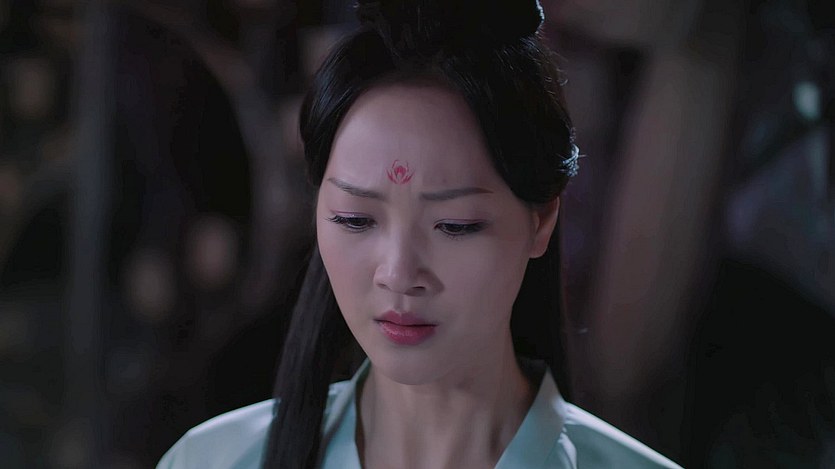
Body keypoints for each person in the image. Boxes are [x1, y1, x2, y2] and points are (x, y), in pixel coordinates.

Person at [157, 0, 683, 467]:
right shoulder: (209, 460)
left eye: (455, 226)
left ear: (541, 220)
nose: (399, 273)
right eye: (355, 219)